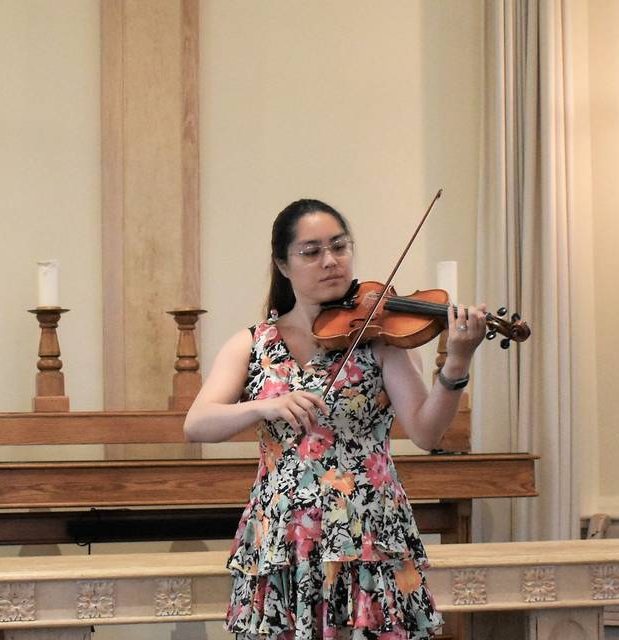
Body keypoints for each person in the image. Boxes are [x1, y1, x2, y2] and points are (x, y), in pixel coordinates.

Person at [184, 198, 487, 640]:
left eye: (339, 247)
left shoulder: (382, 340)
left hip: (369, 532)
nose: (330, 261)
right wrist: (263, 406)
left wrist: (457, 362)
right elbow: (197, 424)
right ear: (283, 265)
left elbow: (426, 432)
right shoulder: (252, 344)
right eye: (311, 252)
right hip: (285, 536)